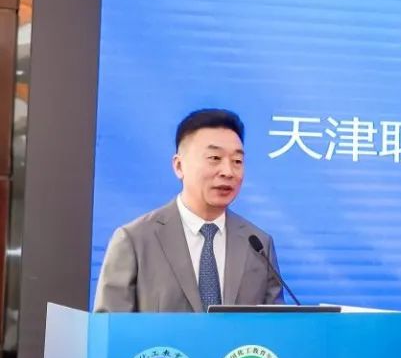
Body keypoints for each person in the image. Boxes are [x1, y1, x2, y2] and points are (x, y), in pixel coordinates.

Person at [93, 108, 284, 312]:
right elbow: (110, 326)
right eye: (214, 158)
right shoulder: (135, 240)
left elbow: (276, 326)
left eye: (237, 161)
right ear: (179, 166)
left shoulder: (258, 244)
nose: (228, 172)